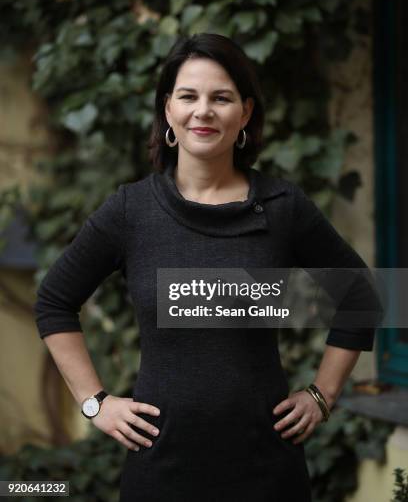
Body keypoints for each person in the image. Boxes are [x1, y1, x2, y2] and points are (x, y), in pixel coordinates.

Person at [34, 33, 382, 502]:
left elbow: (361, 295)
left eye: (222, 97)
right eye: (188, 96)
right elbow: (54, 301)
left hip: (267, 471)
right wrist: (95, 403)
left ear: (246, 113)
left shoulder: (282, 208)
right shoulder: (130, 211)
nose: (204, 111)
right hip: (161, 470)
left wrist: (322, 394)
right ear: (168, 111)